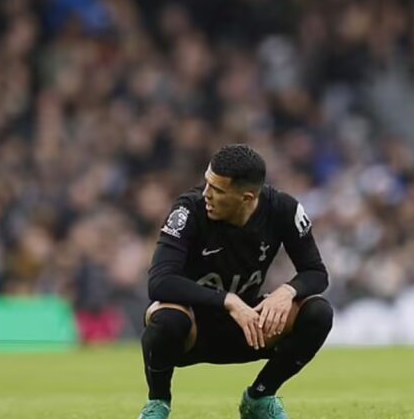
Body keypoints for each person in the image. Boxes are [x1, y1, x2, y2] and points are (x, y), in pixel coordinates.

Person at [137, 144, 333, 419]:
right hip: (192, 327)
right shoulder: (188, 210)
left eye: (217, 190)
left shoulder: (283, 209)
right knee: (165, 318)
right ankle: (158, 403)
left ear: (246, 197)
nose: (206, 194)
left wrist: (288, 290)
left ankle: (260, 397)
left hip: (249, 327)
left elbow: (316, 272)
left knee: (318, 312)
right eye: (207, 183)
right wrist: (227, 301)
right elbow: (159, 282)